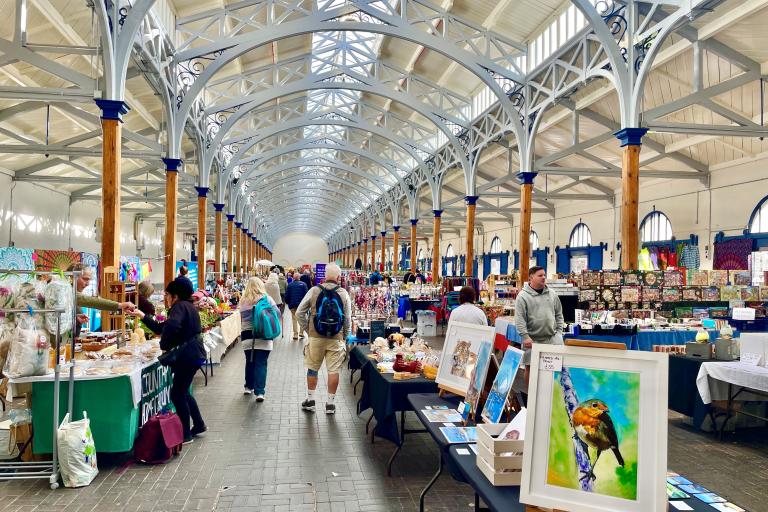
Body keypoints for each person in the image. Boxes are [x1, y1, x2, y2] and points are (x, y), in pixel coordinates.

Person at [133, 277, 207, 443]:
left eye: (167, 294)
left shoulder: (179, 306)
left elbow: (172, 326)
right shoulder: (188, 307)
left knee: (177, 393)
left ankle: (186, 434)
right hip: (194, 354)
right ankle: (199, 424)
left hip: (187, 356)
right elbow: (162, 327)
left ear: (175, 295)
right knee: (183, 392)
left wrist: (164, 345)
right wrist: (142, 315)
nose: (166, 298)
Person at [296, 263, 351, 414]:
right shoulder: (343, 293)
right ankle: (330, 404)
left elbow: (299, 312)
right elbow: (347, 319)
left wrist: (308, 330)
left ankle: (311, 400)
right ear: (339, 277)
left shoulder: (314, 290)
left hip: (316, 337)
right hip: (336, 337)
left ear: (324, 276)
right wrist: (344, 338)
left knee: (313, 368)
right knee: (333, 370)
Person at [514, 266, 564, 385]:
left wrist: (559, 332)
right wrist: (525, 337)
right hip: (532, 341)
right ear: (531, 277)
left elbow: (559, 314)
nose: (543, 278)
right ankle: (530, 398)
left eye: (544, 275)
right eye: (540, 275)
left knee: (553, 371)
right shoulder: (522, 296)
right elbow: (519, 319)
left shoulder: (552, 294)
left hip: (552, 339)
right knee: (531, 369)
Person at [68, 263, 135, 338]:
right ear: (72, 277)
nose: (88, 284)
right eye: (85, 279)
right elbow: (90, 301)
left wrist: (75, 318)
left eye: (89, 280)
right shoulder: (67, 291)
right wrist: (119, 305)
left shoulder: (70, 291)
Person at [238, 277, 278, 400]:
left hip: (247, 336)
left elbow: (242, 319)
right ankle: (260, 392)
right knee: (261, 363)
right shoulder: (267, 299)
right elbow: (277, 314)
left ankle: (248, 387)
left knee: (250, 361)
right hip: (264, 335)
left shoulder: (243, 301)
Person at [285, 272, 309, 340]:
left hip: (293, 305)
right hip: (301, 305)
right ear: (299, 277)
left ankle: (295, 334)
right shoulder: (304, 284)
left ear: (293, 277)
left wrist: (288, 302)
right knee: (302, 318)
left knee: (294, 319)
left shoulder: (290, 285)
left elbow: (287, 295)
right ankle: (301, 332)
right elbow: (306, 295)